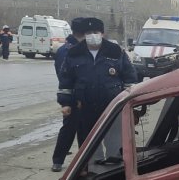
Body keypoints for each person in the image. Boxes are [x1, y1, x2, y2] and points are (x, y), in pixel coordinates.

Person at [57, 18, 136, 164]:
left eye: (95, 32)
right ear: (84, 34)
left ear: (102, 33)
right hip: (84, 106)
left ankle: (115, 165)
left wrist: (128, 101)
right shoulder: (74, 53)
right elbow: (66, 80)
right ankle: (94, 166)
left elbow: (129, 77)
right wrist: (66, 104)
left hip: (112, 106)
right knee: (90, 141)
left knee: (114, 138)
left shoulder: (115, 51)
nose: (92, 35)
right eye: (88, 32)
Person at [51, 18, 86, 172]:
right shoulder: (68, 50)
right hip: (72, 96)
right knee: (71, 128)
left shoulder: (70, 48)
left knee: (77, 128)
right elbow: (64, 75)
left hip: (77, 95)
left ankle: (76, 160)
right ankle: (59, 160)